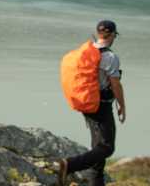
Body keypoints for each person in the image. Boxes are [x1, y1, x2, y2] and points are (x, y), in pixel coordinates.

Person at [57, 21, 126, 185]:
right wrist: (122, 106)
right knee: (107, 147)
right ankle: (69, 164)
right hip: (101, 105)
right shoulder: (109, 57)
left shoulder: (87, 52)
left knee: (98, 148)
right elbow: (115, 84)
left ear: (98, 33)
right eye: (115, 35)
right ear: (112, 35)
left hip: (86, 101)